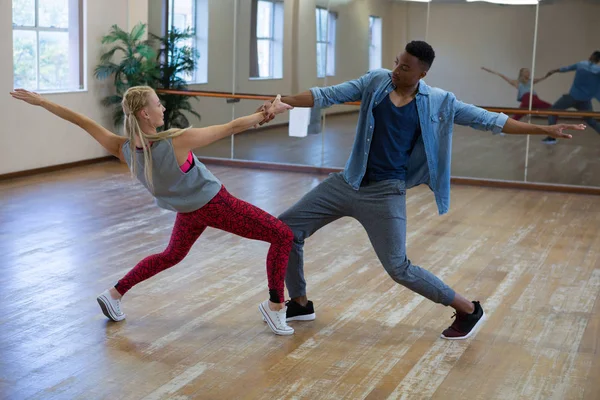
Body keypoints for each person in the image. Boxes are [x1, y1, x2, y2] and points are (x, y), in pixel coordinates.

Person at [258, 41, 584, 340]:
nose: (396, 70)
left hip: (385, 193)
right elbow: (325, 95)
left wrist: (543, 127)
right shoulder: (375, 82)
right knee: (285, 229)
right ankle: (300, 303)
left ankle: (469, 310)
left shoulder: (439, 102)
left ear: (421, 73)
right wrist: (282, 101)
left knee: (399, 267)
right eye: (397, 62)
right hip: (348, 181)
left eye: (404, 67)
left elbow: (490, 120)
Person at [10, 86, 296, 336]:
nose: (163, 107)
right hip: (214, 204)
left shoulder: (122, 148)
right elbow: (231, 127)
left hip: (188, 210)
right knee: (282, 236)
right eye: (158, 103)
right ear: (145, 113)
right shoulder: (175, 141)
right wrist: (267, 112)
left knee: (171, 255)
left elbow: (81, 121)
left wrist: (43, 102)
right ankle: (275, 306)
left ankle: (115, 293)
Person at [542, 51, 600, 144]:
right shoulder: (598, 70)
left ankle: (551, 137)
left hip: (572, 97)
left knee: (552, 111)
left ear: (591, 56)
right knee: (591, 121)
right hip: (585, 101)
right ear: (598, 60)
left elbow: (566, 68)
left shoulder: (581, 64)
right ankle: (551, 137)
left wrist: (554, 70)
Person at [480, 66, 553, 120]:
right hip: (527, 99)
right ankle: (504, 128)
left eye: (529, 72)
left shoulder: (531, 81)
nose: (529, 73)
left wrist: (549, 74)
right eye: (526, 72)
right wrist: (489, 70)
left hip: (534, 99)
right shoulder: (517, 82)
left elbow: (543, 78)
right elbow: (502, 75)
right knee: (517, 116)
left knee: (552, 108)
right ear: (522, 73)